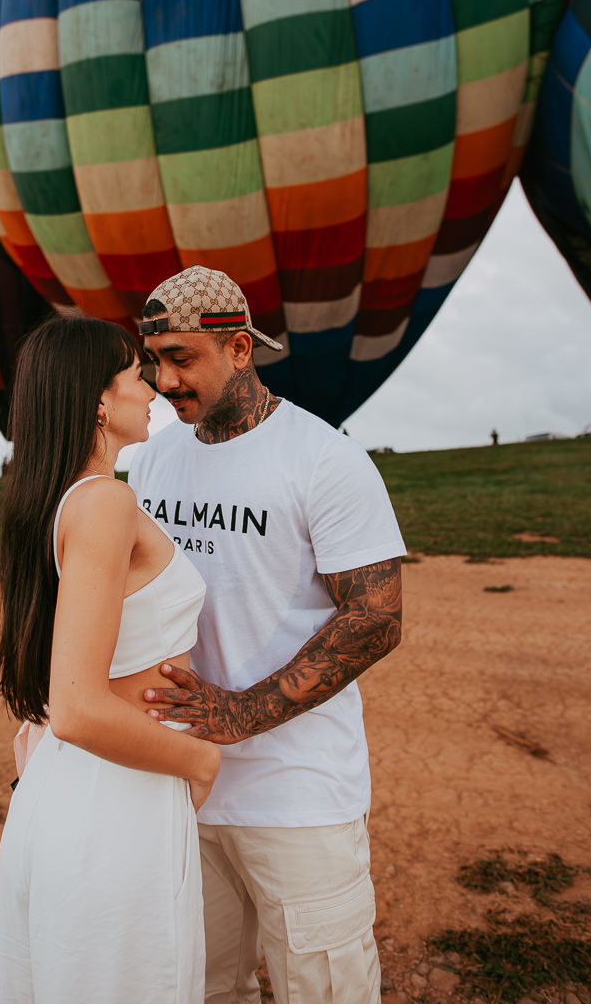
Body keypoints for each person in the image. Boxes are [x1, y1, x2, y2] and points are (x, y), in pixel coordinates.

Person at [128, 266, 406, 1004]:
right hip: (180, 784)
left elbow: (375, 616)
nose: (163, 381)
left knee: (324, 989)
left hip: (297, 793)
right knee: (204, 985)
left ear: (241, 349)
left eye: (181, 358)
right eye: (153, 362)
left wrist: (243, 713)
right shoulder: (149, 463)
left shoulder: (323, 458)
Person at [0, 311, 220, 1004]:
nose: (151, 390)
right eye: (133, 376)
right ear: (96, 399)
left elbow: (59, 680)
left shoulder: (51, 502)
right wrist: (199, 760)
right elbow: (81, 709)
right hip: (118, 795)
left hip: (73, 790)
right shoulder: (106, 505)